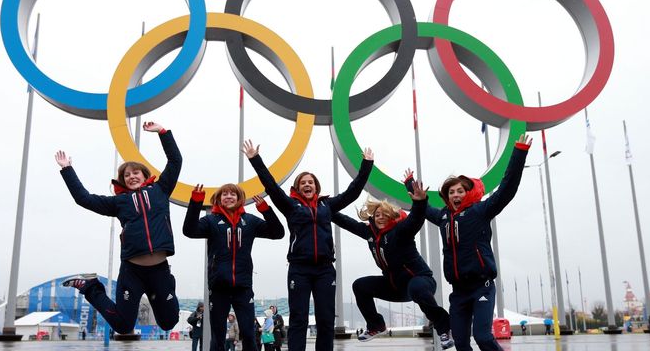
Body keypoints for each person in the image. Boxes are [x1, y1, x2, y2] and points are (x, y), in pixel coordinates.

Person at [242, 140, 374, 351]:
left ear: (316, 187)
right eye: (303, 182)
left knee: (325, 320)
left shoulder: (327, 206)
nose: (307, 184)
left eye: (310, 182)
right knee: (299, 319)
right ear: (297, 187)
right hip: (299, 269)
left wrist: (366, 165)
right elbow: (271, 185)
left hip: (324, 270)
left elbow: (353, 192)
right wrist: (254, 159)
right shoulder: (290, 206)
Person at [56, 121, 181, 334]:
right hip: (132, 271)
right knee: (123, 326)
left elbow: (175, 160)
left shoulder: (161, 189)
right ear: (123, 181)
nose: (132, 176)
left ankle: (158, 291)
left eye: (136, 173)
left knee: (169, 322)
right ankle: (90, 287)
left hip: (159, 269)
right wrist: (67, 169)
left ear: (144, 175)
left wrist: (162, 132)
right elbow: (83, 198)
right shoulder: (118, 202)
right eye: (127, 175)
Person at [425, 134, 532, 351]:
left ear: (468, 193)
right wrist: (411, 187)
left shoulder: (480, 211)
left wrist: (519, 153)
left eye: (460, 191)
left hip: (481, 287)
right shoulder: (443, 217)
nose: (455, 194)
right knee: (462, 344)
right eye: (451, 192)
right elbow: (423, 209)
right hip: (458, 292)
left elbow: (506, 190)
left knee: (483, 337)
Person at [331, 173, 453, 349]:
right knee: (360, 285)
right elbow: (347, 222)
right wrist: (325, 209)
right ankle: (376, 325)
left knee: (416, 287)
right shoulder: (370, 234)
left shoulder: (401, 231)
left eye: (384, 214)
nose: (380, 217)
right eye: (377, 214)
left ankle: (445, 329)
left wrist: (419, 202)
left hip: (421, 281)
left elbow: (415, 220)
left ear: (391, 217)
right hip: (395, 287)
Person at [183, 183, 284, 351]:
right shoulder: (211, 220)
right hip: (218, 287)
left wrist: (266, 210)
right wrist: (195, 202)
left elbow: (278, 233)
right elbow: (189, 230)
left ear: (239, 199)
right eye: (224, 194)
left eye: (232, 194)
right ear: (218, 198)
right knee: (218, 335)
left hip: (243, 287)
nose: (228, 196)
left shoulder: (250, 221)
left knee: (248, 333)